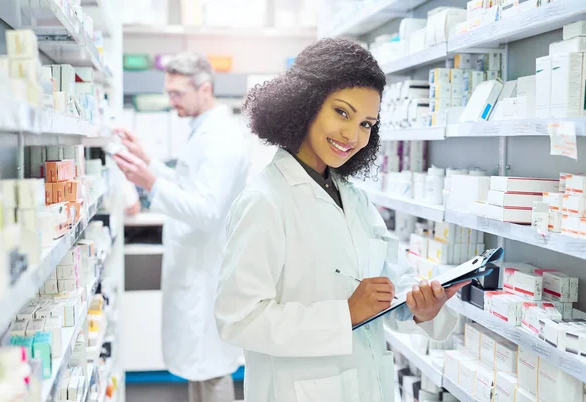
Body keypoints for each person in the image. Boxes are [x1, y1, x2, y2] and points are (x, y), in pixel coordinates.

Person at [214, 38, 467, 402]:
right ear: (305, 103)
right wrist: (344, 314)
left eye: (366, 123)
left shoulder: (353, 197)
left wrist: (421, 306)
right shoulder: (265, 201)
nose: (353, 135)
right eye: (342, 113)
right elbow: (237, 319)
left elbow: (387, 280)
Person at [113, 52, 249, 402]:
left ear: (204, 89)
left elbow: (206, 210)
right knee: (198, 367)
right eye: (168, 91)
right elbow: (189, 183)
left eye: (177, 93)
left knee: (212, 368)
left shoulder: (220, 137)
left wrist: (150, 184)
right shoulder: (204, 130)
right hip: (196, 266)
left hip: (207, 271)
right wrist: (149, 162)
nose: (170, 100)